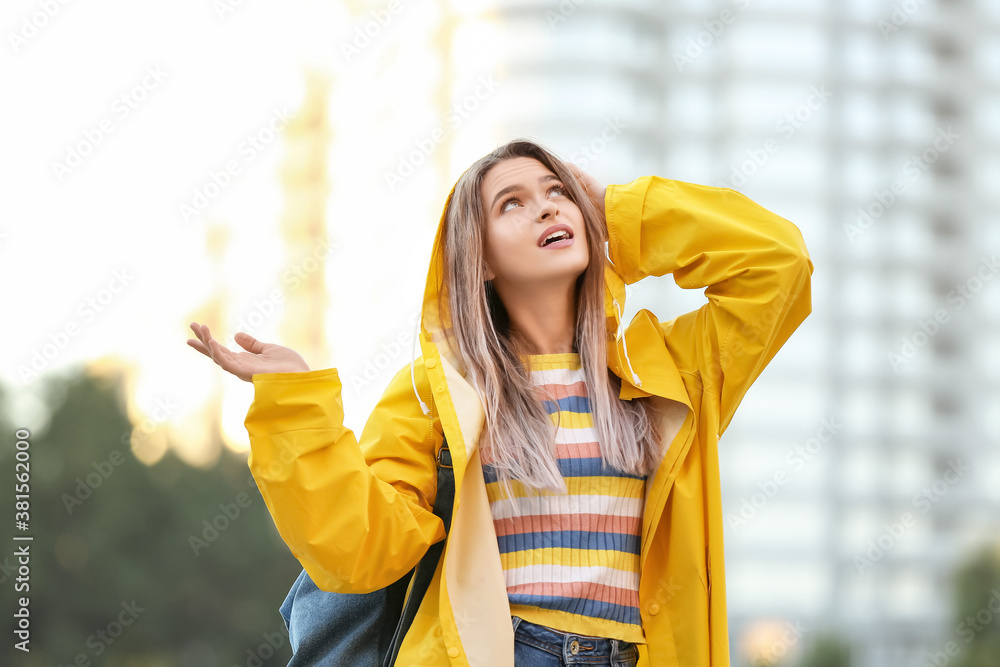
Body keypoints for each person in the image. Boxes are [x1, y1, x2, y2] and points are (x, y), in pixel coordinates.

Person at [187, 137, 814, 666]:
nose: (546, 209)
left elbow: (778, 267)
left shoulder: (669, 371)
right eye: (512, 204)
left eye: (557, 192)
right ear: (479, 257)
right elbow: (364, 549)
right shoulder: (439, 391)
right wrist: (296, 405)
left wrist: (618, 213)